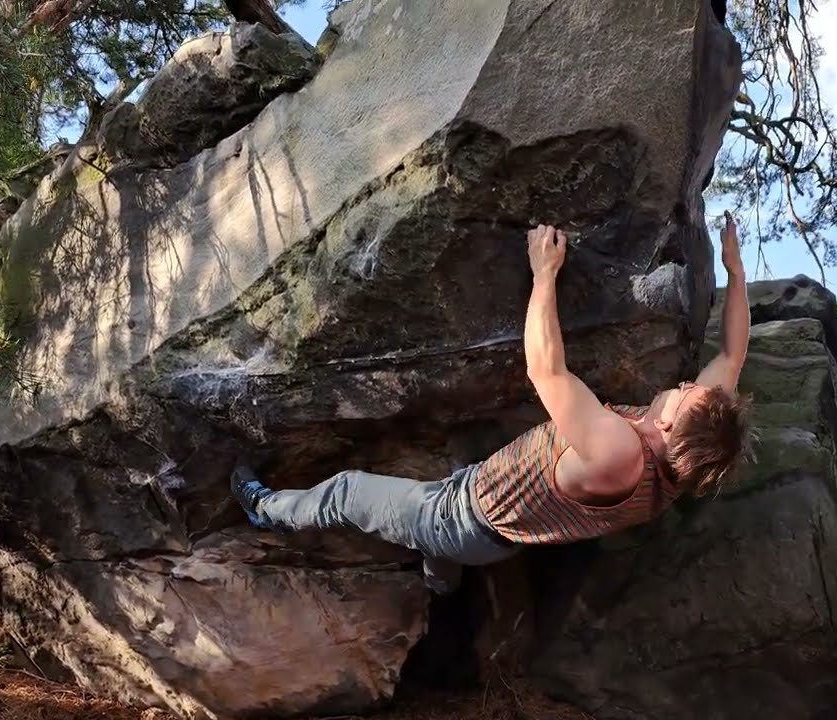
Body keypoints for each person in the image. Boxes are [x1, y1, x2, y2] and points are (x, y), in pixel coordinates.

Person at [231, 213, 753, 594]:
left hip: (460, 517)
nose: (688, 386)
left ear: (666, 428)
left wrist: (544, 273)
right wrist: (734, 270)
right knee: (439, 553)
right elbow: (732, 354)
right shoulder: (685, 455)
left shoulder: (621, 454)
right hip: (496, 527)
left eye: (688, 396)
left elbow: (546, 370)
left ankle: (266, 510)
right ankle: (439, 592)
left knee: (348, 494)